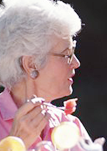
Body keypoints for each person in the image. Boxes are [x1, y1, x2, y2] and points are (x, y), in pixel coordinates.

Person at [0, 0, 105, 150]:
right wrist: (15, 143)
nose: (76, 63)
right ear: (31, 64)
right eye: (67, 54)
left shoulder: (70, 124)